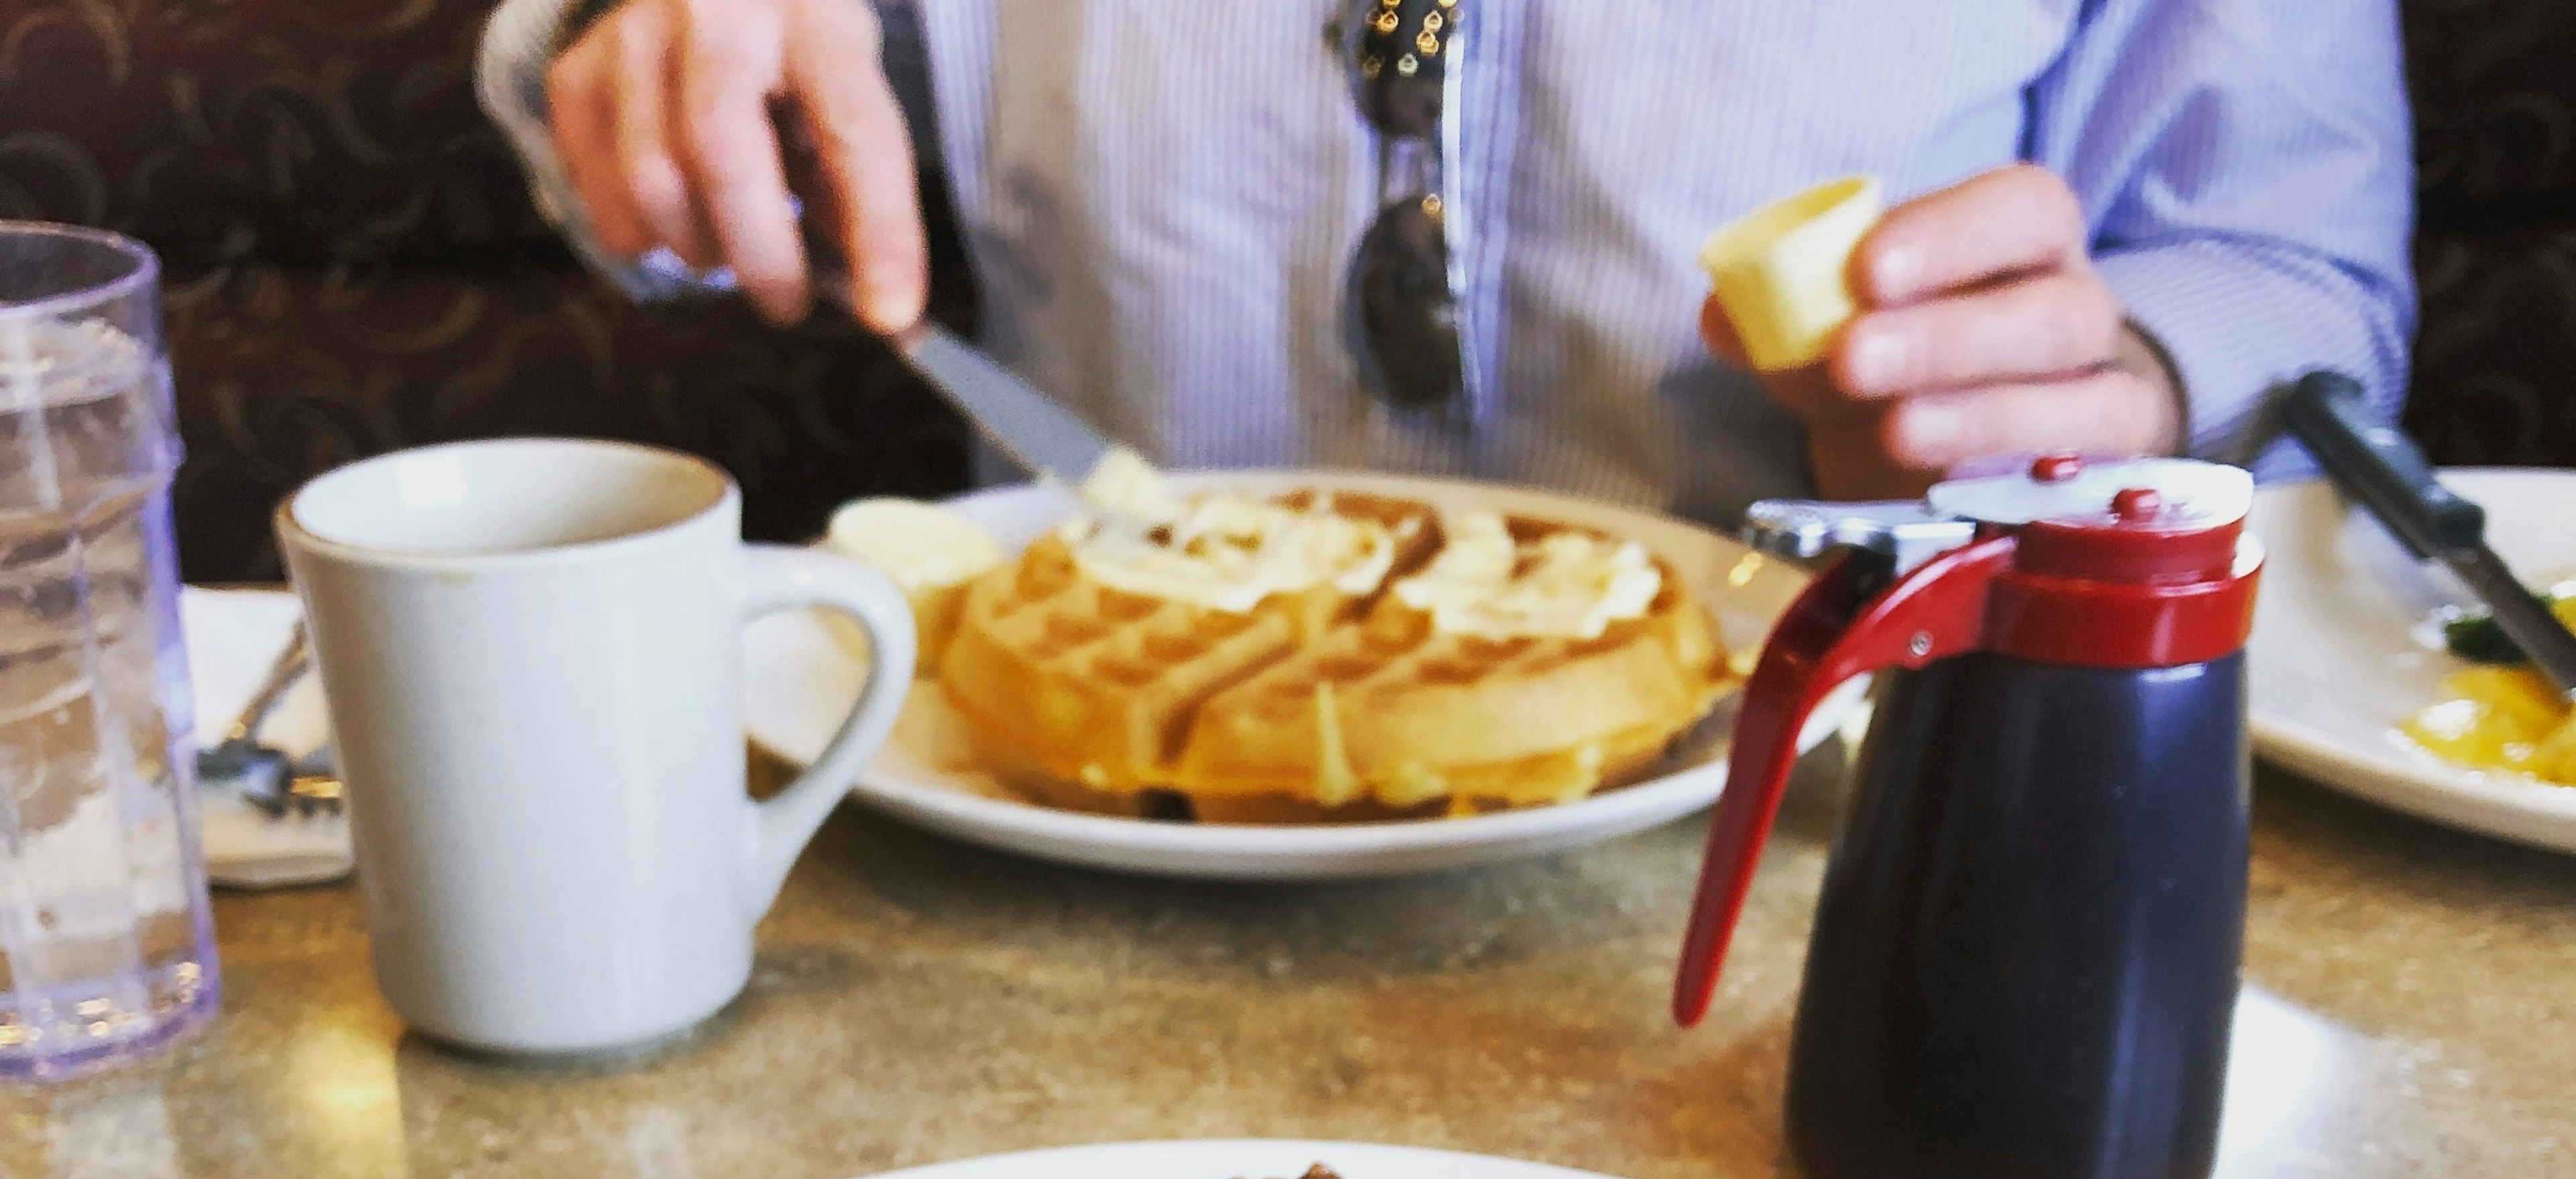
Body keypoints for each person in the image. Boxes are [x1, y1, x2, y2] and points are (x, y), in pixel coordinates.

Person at [480, 0, 2414, 524]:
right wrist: (634, 47)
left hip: (1830, 823)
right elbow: (648, 159)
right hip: (1057, 811)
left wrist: (2121, 382)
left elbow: (2298, 280)